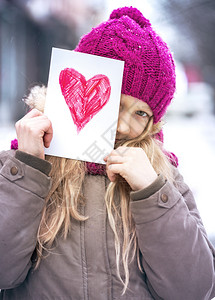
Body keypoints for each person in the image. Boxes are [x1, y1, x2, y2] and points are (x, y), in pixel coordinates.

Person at [0, 6, 215, 300]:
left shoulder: (162, 178)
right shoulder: (25, 163)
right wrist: (27, 169)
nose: (124, 126)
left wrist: (152, 193)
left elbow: (194, 289)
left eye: (141, 112)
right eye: (115, 102)